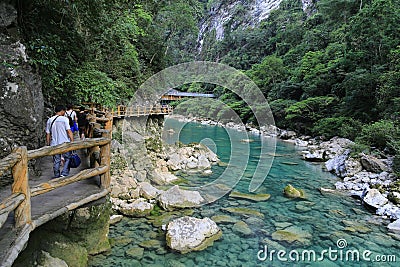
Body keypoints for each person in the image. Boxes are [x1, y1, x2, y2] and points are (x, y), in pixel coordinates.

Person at [46, 105, 74, 178]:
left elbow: (48, 133)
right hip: (65, 143)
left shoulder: (50, 120)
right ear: (62, 111)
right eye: (64, 111)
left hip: (54, 143)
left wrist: (48, 144)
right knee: (68, 158)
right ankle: (64, 173)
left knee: (56, 160)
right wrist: (72, 142)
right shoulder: (65, 119)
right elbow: (69, 131)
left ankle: (56, 175)